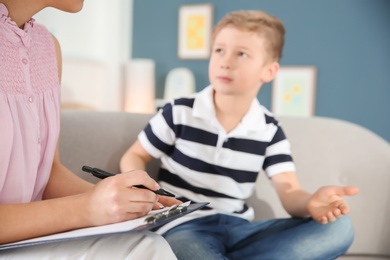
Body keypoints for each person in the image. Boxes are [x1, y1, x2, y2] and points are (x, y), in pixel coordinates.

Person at [120, 10, 360, 260]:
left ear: (268, 71)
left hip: (241, 229)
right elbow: (135, 155)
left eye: (242, 54)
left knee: (339, 229)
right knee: (187, 248)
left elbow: (289, 192)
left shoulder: (269, 130)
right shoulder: (180, 111)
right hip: (183, 225)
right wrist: (144, 189)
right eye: (219, 50)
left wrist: (311, 202)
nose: (225, 61)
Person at [0, 1, 180, 259]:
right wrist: (85, 208)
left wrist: (126, 200)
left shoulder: (48, 47)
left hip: (24, 240)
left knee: (148, 243)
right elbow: (81, 208)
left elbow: (48, 174)